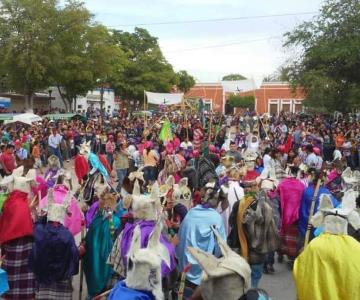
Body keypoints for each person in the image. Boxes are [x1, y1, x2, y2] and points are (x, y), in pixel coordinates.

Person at [176, 186, 226, 293]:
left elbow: (181, 235)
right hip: (204, 268)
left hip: (186, 265)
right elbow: (221, 246)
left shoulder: (191, 213)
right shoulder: (216, 218)